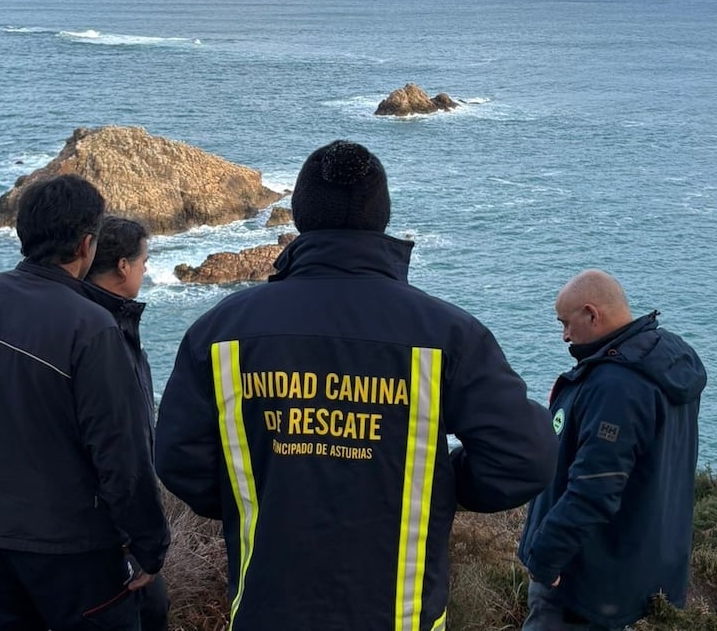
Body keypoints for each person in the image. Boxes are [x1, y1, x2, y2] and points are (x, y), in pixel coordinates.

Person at [154, 140, 559, 631]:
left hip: (268, 606)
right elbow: (526, 456)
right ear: (382, 218)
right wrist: (442, 487)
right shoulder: (448, 335)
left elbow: (177, 456)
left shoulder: (221, 332)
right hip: (398, 615)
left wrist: (260, 495)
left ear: (299, 215)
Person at [0, 174, 169, 631]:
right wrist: (149, 545)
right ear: (86, 245)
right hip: (76, 545)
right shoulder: (93, 327)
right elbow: (122, 453)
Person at [518, 270, 707, 631]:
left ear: (592, 314)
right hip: (640, 570)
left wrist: (545, 557)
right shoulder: (664, 361)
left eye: (566, 323)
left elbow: (595, 488)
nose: (565, 336)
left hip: (584, 585)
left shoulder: (615, 386)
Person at [82, 216, 169, 631]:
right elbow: (123, 448)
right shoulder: (103, 331)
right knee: (147, 605)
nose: (146, 268)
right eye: (144, 260)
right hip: (99, 534)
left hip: (9, 523)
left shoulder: (83, 317)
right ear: (121, 266)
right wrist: (149, 547)